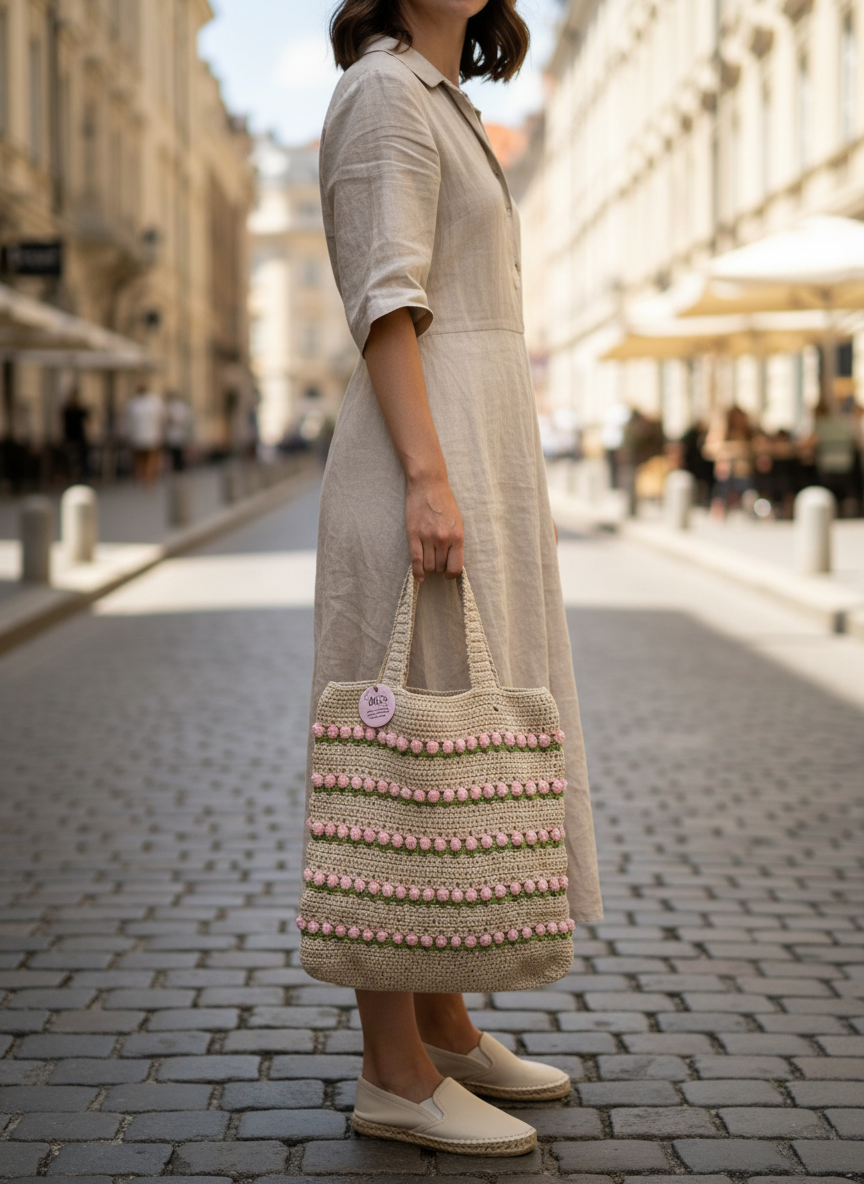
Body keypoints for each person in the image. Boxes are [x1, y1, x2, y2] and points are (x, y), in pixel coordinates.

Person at [307, 0, 603, 1156]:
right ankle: (392, 1067)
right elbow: (390, 296)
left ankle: (444, 1021)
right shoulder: (384, 89)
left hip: (470, 444)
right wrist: (432, 479)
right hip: (420, 450)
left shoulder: (444, 100)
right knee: (408, 751)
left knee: (446, 735)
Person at [703, 405, 753, 520]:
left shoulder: (747, 432)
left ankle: (745, 503)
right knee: (725, 470)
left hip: (745, 469)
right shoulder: (721, 431)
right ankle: (720, 504)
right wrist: (731, 450)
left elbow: (755, 448)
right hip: (727, 469)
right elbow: (710, 449)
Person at [125, 385, 164, 485]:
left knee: (143, 459)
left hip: (142, 436)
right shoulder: (154, 402)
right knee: (147, 459)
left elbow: (128, 421)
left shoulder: (133, 403)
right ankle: (147, 478)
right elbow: (161, 418)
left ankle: (144, 478)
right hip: (149, 435)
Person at [61, 387, 90, 483]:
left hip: (79, 438)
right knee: (70, 459)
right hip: (70, 438)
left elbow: (88, 419)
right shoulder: (67, 411)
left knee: (82, 458)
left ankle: (82, 476)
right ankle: (71, 476)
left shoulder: (80, 410)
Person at [163, 392, 193, 472]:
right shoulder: (168, 406)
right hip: (172, 433)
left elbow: (185, 419)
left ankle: (179, 467)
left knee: (178, 452)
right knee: (174, 452)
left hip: (179, 432)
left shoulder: (179, 406)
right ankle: (176, 467)